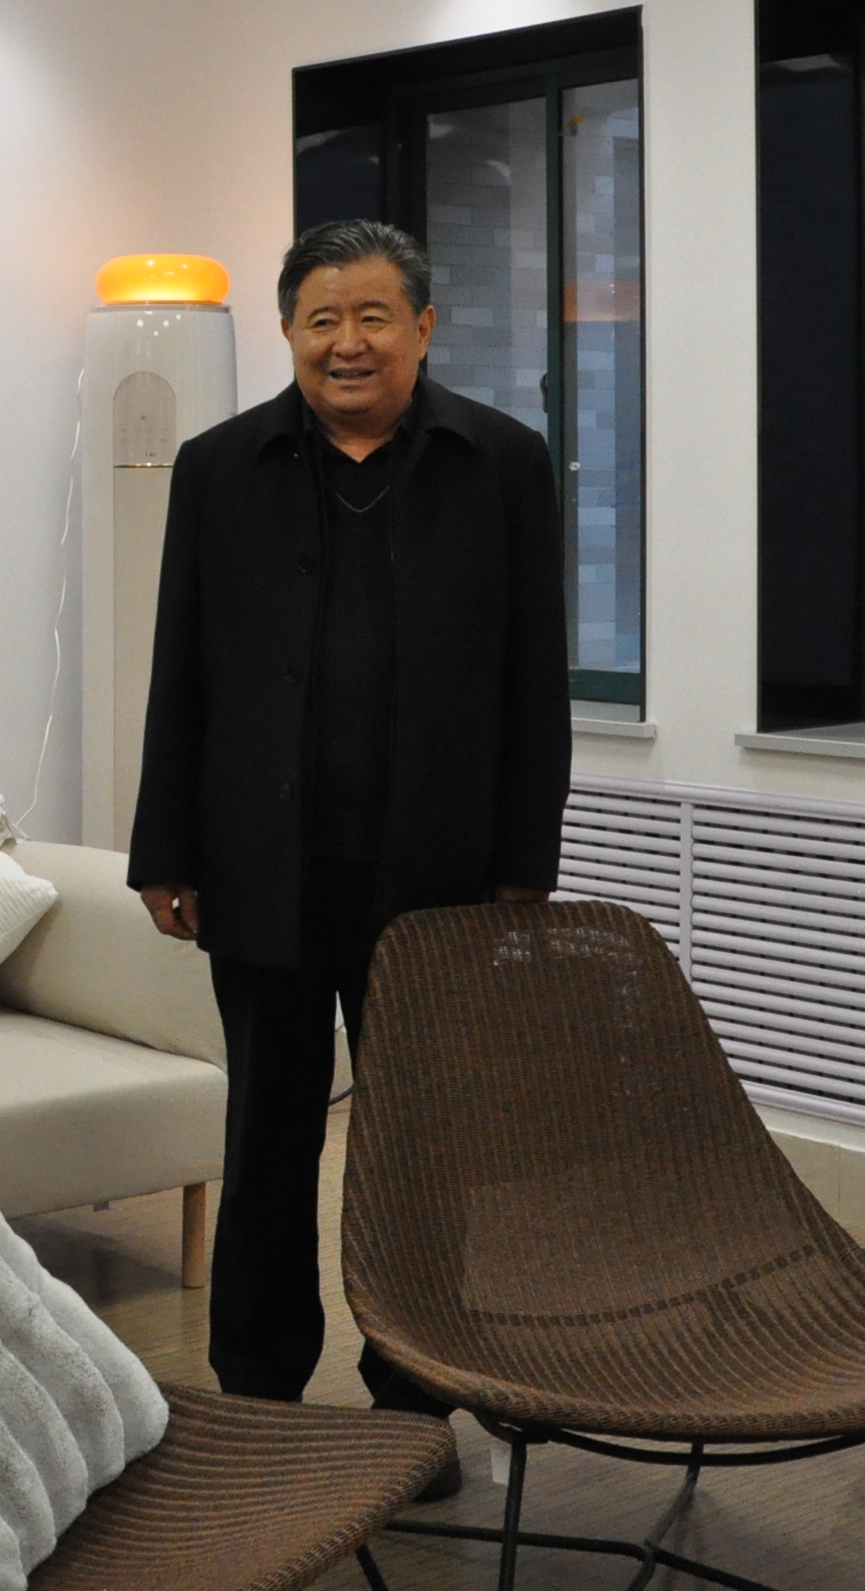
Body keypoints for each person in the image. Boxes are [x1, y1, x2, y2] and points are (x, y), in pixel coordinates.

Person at [129, 216, 567, 1480]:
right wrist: (165, 848)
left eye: (373, 316)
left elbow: (534, 681)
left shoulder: (501, 463)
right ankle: (260, 1397)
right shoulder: (221, 467)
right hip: (263, 868)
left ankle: (414, 1400)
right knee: (265, 1142)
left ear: (423, 327)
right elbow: (181, 670)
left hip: (435, 876)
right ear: (287, 332)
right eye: (321, 319)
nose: (347, 342)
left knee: (421, 1150)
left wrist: (522, 865)